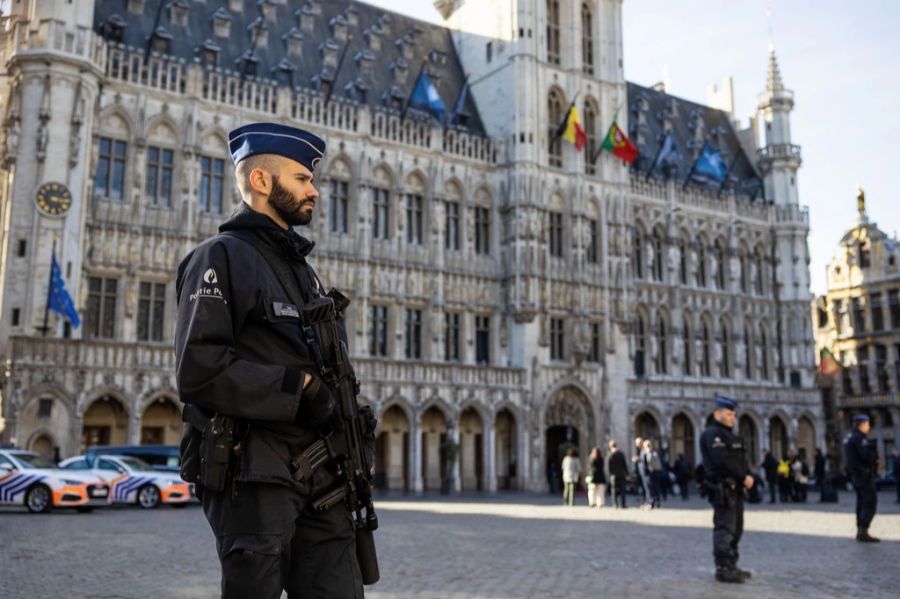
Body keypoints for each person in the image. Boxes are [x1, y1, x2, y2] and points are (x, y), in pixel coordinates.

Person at [174, 122, 365, 598]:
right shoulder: (219, 257)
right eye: (302, 179)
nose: (314, 191)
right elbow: (200, 370)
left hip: (325, 480)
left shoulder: (306, 275)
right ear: (262, 181)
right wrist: (299, 389)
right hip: (255, 476)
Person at [700, 395, 753, 584]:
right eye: (729, 414)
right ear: (718, 414)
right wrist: (743, 477)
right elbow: (722, 461)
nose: (733, 418)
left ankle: (732, 564)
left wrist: (748, 475)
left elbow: (740, 460)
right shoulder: (713, 434)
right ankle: (723, 567)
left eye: (734, 414)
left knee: (737, 528)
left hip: (736, 489)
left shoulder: (732, 435)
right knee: (725, 528)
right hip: (722, 487)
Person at [843, 414, 879, 542]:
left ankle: (860, 530)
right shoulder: (859, 438)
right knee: (869, 503)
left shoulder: (849, 437)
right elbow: (866, 456)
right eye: (867, 424)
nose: (869, 426)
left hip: (856, 476)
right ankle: (864, 530)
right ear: (862, 424)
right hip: (864, 475)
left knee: (861, 503)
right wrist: (873, 453)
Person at [608, 440, 629, 508]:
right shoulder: (621, 453)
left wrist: (610, 473)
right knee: (623, 490)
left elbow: (609, 465)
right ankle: (623, 504)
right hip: (622, 474)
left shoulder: (610, 454)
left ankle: (615, 504)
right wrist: (627, 473)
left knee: (614, 490)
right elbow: (624, 464)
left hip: (613, 475)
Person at [642, 439, 663, 509]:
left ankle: (651, 502)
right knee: (656, 488)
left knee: (651, 488)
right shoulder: (655, 452)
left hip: (650, 473)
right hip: (657, 472)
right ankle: (657, 502)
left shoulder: (646, 453)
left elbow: (646, 464)